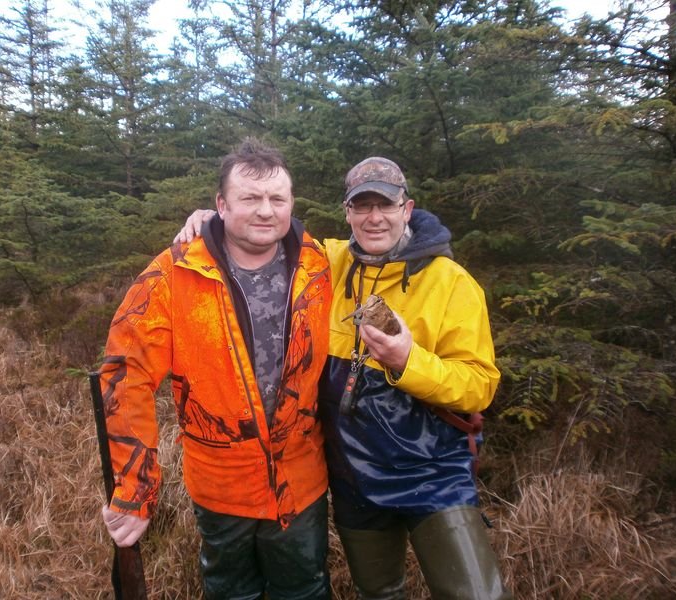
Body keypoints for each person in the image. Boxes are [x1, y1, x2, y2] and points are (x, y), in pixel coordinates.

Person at [176, 156, 510, 599]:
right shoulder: (325, 262)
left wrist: (407, 361)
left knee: (477, 595)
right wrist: (213, 221)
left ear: (406, 209)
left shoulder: (450, 283)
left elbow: (480, 386)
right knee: (378, 592)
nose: (374, 218)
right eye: (362, 206)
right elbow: (264, 230)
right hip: (354, 476)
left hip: (433, 470)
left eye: (386, 205)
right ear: (347, 212)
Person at [100, 138, 333, 600]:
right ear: (221, 205)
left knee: (304, 591)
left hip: (301, 481)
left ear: (291, 203)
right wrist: (135, 489)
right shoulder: (174, 274)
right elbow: (126, 376)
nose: (265, 210)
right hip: (221, 486)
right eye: (250, 198)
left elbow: (384, 247)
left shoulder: (321, 265)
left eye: (277, 198)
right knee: (231, 593)